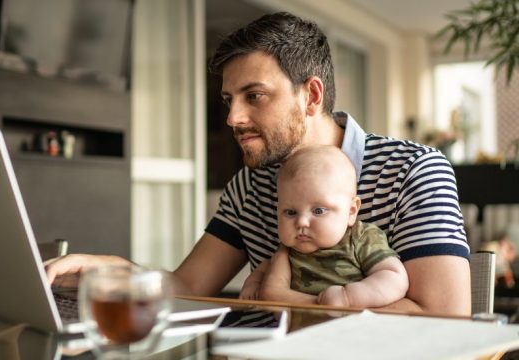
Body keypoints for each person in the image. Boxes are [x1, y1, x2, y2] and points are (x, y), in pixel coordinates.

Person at [46, 12, 471, 315]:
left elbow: (447, 318)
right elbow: (189, 287)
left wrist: (297, 303)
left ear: (312, 96)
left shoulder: (413, 169)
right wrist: (115, 271)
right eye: (230, 100)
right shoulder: (247, 188)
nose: (233, 118)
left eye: (255, 96)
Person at [239, 146, 408, 308]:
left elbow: (394, 276)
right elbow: (264, 269)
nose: (302, 222)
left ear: (351, 211)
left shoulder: (361, 238)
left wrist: (348, 297)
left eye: (318, 211)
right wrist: (253, 285)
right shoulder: (288, 250)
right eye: (290, 212)